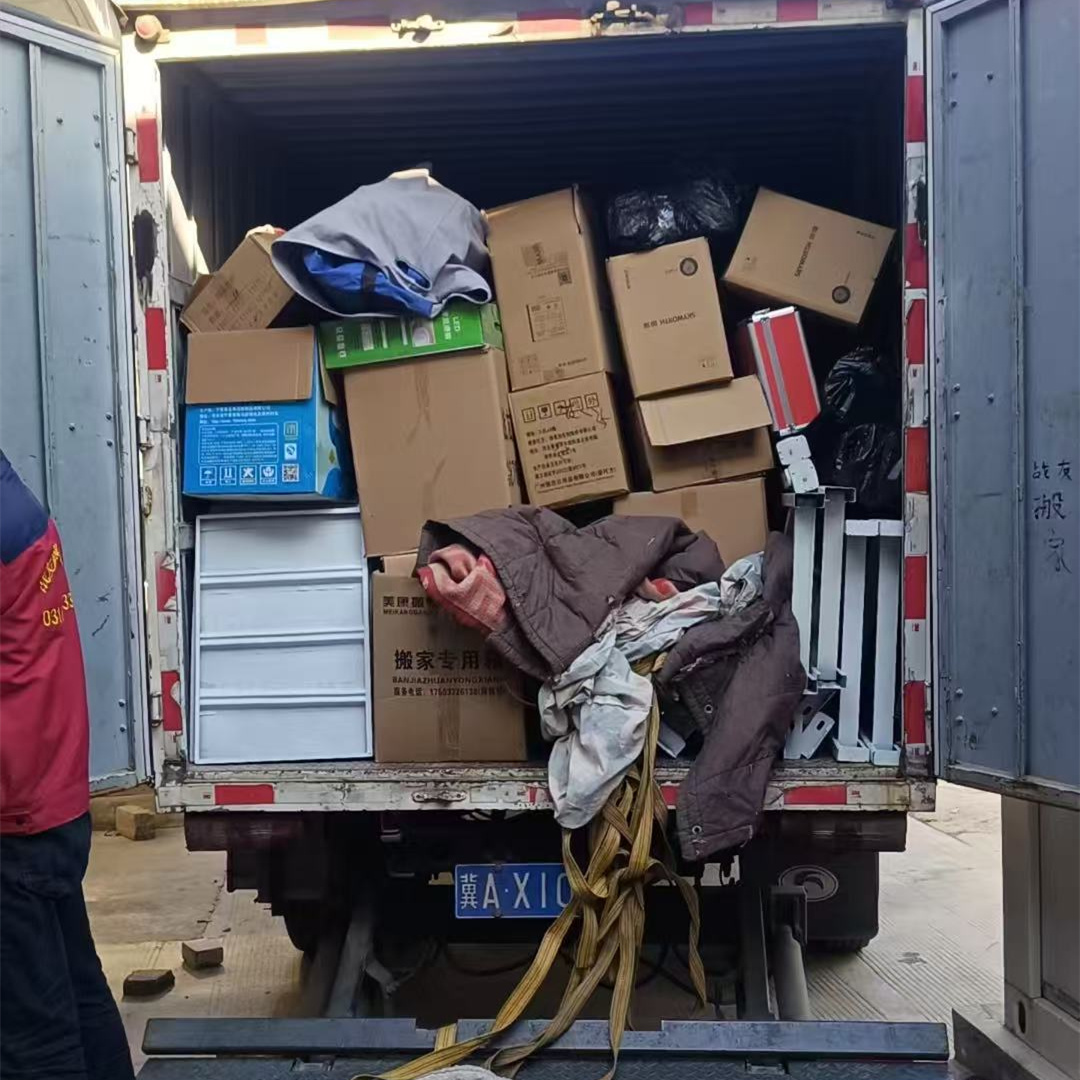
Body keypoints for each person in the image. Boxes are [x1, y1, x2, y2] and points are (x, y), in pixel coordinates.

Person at [0, 450, 134, 1079]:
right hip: (50, 796)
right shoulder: (14, 500)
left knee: (31, 1038)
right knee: (79, 992)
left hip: (14, 817)